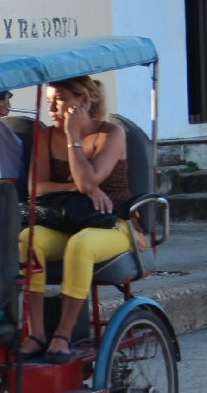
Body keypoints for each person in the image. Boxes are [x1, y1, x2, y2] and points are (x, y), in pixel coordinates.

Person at [18, 76, 143, 362]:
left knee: (81, 244)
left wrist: (73, 136)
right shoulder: (45, 136)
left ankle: (62, 335)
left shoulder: (111, 134)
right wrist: (73, 187)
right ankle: (35, 333)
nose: (52, 108)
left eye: (60, 100)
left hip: (113, 224)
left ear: (83, 101)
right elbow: (36, 187)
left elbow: (88, 181)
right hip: (66, 222)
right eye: (49, 101)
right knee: (28, 239)